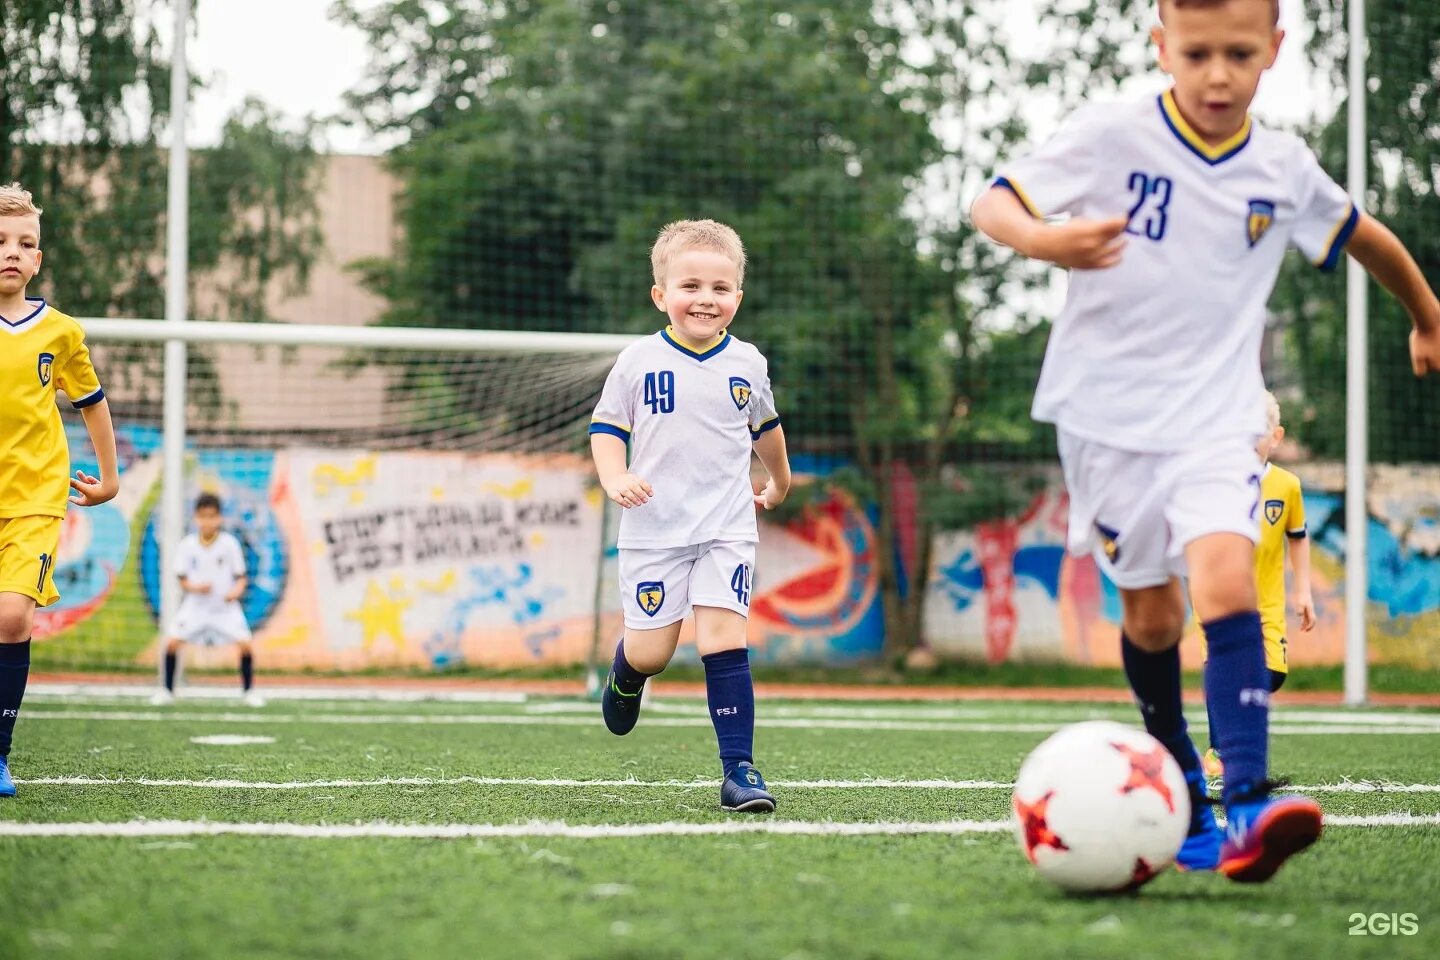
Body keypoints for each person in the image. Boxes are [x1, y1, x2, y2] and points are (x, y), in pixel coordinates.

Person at [970, 0, 1440, 882]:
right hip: (1105, 424)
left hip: (1216, 417)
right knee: (1150, 613)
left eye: (1239, 52)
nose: (1218, 73)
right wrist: (1043, 238)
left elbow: (1364, 236)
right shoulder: (1113, 134)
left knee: (1225, 573)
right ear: (1161, 48)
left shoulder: (1282, 165)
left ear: (1275, 49)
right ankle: (1181, 777)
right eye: (1197, 53)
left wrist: (1427, 315)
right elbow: (992, 201)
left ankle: (1251, 804)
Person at [589, 219, 791, 812]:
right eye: (691, 286)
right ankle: (626, 675)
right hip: (654, 532)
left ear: (737, 299)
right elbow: (606, 429)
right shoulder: (637, 360)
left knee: (723, 640)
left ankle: (740, 772)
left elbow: (767, 429)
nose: (705, 298)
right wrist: (616, 474)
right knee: (653, 651)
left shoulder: (748, 363)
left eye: (720, 289)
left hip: (726, 528)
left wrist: (779, 480)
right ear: (661, 295)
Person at [0, 183, 120, 798]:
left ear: (38, 259)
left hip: (33, 497)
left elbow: (92, 403)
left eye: (24, 243)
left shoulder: (61, 332)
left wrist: (111, 475)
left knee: (12, 614)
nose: (11, 252)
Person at [1199, 391, 1313, 779]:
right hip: (1218, 602)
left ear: (1276, 436)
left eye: (1258, 431)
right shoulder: (1215, 482)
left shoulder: (1287, 486)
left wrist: (1304, 591)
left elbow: (1297, 536)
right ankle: (1222, 751)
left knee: (1271, 675)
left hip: (1266, 607)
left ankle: (1231, 743)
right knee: (1222, 667)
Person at [152, 493, 262, 707]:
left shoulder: (229, 544)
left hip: (224, 608)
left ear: (220, 518)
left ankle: (249, 692)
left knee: (246, 645)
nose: (208, 521)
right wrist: (196, 588)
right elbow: (182, 579)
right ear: (196, 518)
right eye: (203, 516)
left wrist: (235, 592)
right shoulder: (188, 545)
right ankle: (167, 690)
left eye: (212, 516)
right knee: (172, 642)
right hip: (196, 606)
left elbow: (241, 578)